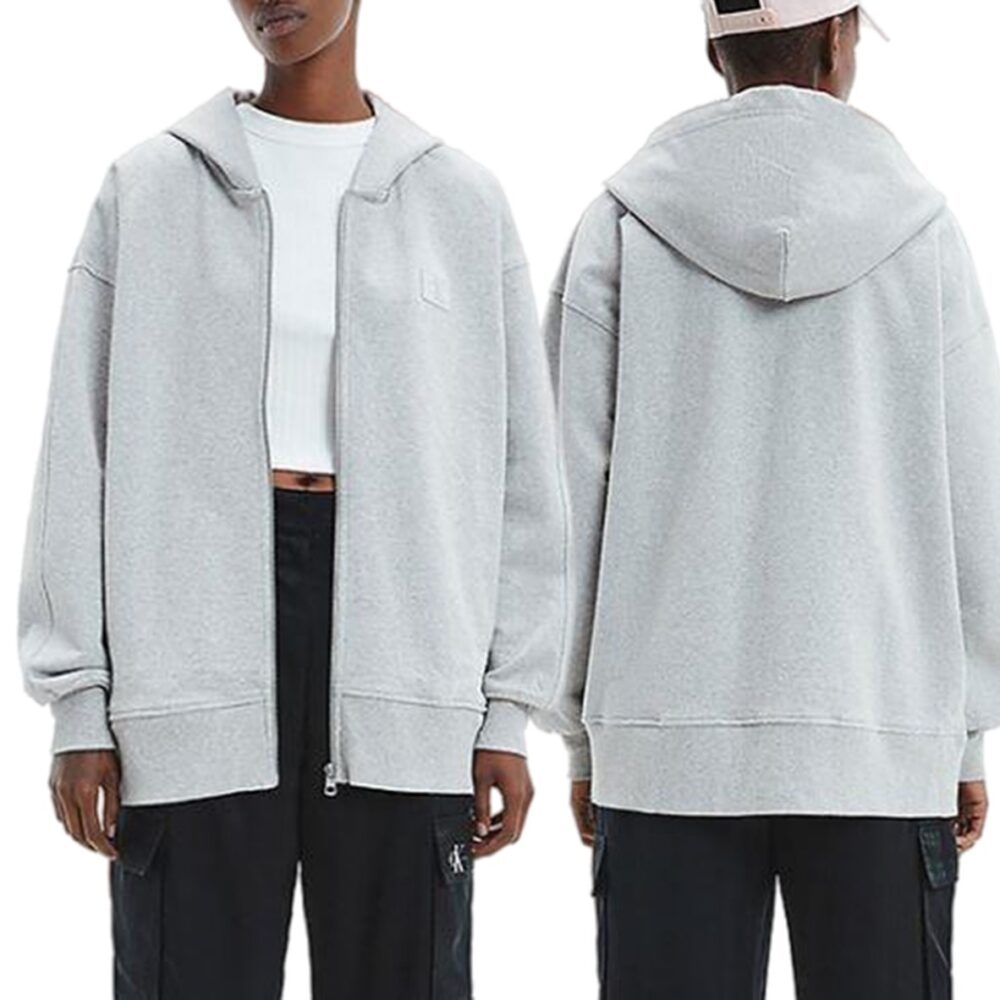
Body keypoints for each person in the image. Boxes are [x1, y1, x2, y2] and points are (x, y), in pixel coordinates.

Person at [18, 1, 563, 996]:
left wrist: (505, 710)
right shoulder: (148, 188)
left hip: (405, 656)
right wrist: (79, 704)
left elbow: (524, 473)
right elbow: (77, 450)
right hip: (190, 648)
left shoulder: (460, 201)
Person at [545, 1, 998, 995]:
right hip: (878, 739)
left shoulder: (621, 224)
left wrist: (584, 732)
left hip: (665, 746)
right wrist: (961, 730)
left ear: (711, 44)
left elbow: (562, 499)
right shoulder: (923, 231)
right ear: (838, 39)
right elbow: (975, 499)